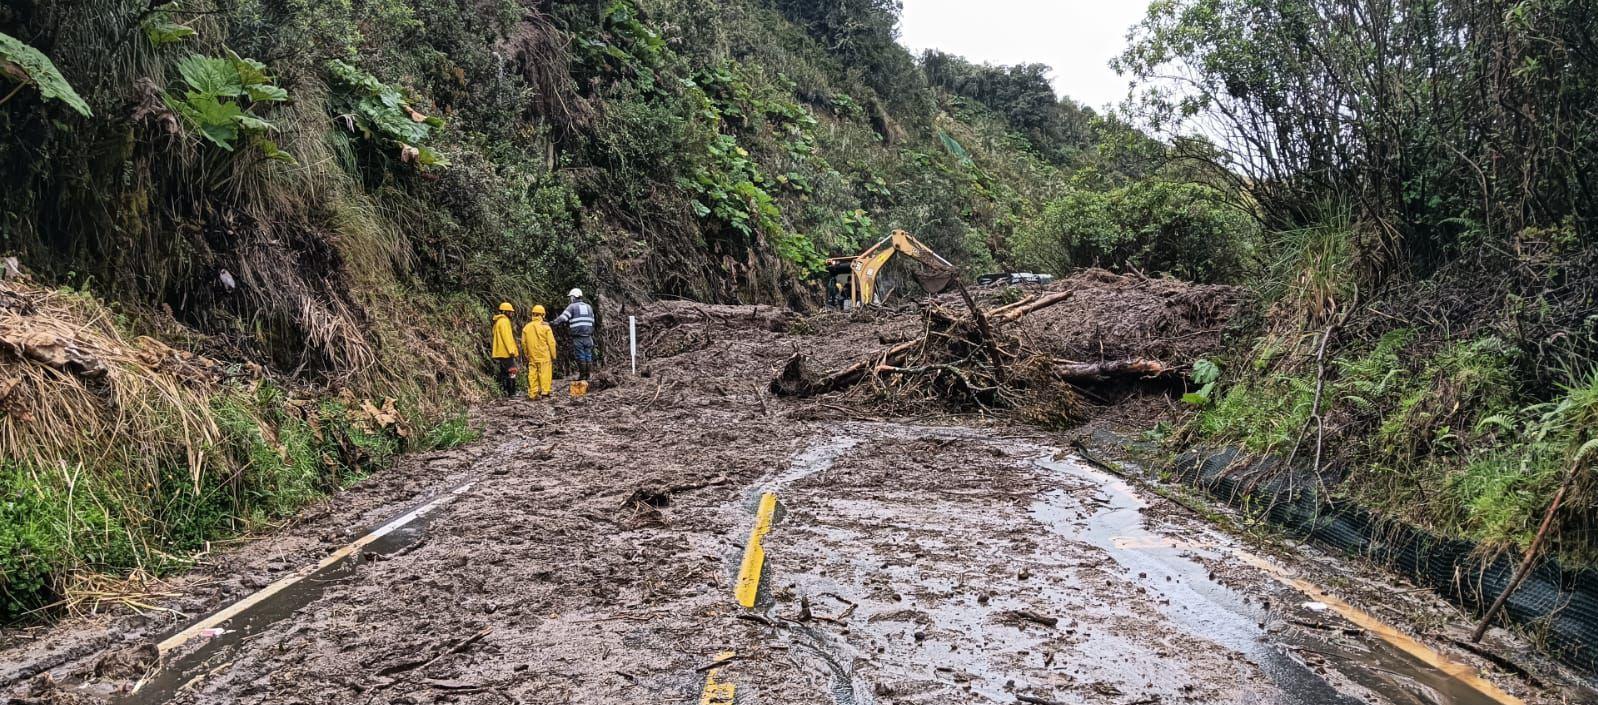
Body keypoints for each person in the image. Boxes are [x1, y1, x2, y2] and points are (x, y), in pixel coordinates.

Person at [552, 288, 597, 382]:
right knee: (588, 355)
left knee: (580, 356)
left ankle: (582, 376)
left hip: (578, 337)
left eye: (571, 297)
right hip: (588, 336)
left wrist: (552, 323)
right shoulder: (589, 307)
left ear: (574, 297)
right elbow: (593, 321)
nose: (570, 299)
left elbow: (563, 318)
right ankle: (588, 376)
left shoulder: (572, 307)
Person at [521, 304, 557, 400]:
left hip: (532, 356)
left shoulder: (526, 327)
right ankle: (545, 392)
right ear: (543, 315)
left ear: (533, 314)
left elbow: (523, 343)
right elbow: (551, 342)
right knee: (545, 373)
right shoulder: (546, 327)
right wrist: (553, 355)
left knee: (532, 374)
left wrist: (526, 354)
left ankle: (533, 393)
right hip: (544, 355)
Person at [490, 302, 519, 396]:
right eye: (510, 312)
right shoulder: (504, 321)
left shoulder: (498, 321)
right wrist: (511, 351)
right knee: (512, 371)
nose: (512, 314)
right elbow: (507, 337)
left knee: (504, 373)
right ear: (505, 312)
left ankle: (504, 391)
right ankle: (512, 392)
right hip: (506, 352)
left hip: (500, 352)